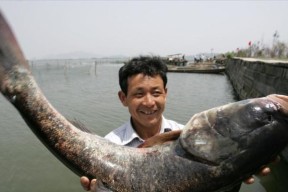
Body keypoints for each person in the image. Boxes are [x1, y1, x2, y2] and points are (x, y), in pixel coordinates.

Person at [80, 56, 272, 192]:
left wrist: (235, 177)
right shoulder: (108, 147)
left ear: (166, 93)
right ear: (123, 98)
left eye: (156, 93)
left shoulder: (189, 136)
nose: (149, 102)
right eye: (138, 94)